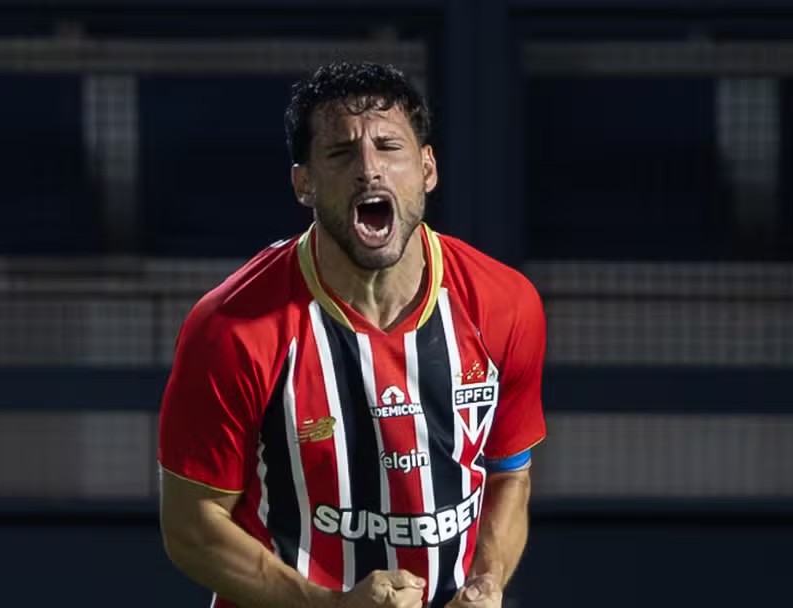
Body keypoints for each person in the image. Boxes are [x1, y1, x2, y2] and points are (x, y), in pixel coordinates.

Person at [158, 61, 546, 608]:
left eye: (390, 148)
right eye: (341, 154)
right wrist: (330, 606)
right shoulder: (231, 328)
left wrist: (488, 580)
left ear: (428, 168)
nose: (370, 170)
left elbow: (510, 475)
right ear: (304, 183)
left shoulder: (505, 304)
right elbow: (191, 526)